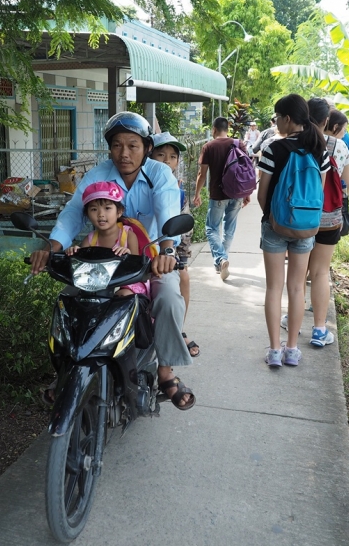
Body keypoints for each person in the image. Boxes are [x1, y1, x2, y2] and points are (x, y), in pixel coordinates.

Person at [29, 111, 195, 410]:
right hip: (101, 264)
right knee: (69, 301)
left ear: (146, 147)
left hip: (149, 259)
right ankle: (69, 368)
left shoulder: (159, 173)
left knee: (169, 297)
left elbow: (168, 208)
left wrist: (168, 251)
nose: (124, 153)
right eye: (117, 145)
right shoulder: (97, 175)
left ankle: (166, 371)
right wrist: (52, 248)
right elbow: (72, 213)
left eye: (133, 145)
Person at [257, 95, 330, 368]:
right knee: (297, 288)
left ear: (288, 118)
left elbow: (262, 194)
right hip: (307, 227)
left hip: (276, 226)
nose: (275, 122)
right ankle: (291, 350)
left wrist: (272, 218)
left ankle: (274, 350)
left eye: (277, 117)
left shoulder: (273, 149)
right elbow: (319, 193)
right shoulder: (318, 149)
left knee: (274, 288)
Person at [296, 99, 349, 348]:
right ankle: (319, 331)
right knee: (320, 273)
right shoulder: (339, 146)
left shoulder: (295, 144)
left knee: (298, 274)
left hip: (299, 218)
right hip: (329, 218)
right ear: (326, 121)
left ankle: (293, 321)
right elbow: (347, 186)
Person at [151, 132, 200, 358]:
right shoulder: (145, 180)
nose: (167, 161)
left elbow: (183, 218)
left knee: (184, 277)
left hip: (175, 243)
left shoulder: (178, 185)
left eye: (172, 157)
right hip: (146, 243)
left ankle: (177, 329)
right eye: (161, 155)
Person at [63, 181, 148, 298]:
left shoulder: (128, 235)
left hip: (125, 283)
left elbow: (137, 266)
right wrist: (75, 253)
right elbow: (82, 266)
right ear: (87, 214)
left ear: (119, 212)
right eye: (94, 209)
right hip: (97, 285)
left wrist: (127, 255)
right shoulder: (90, 239)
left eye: (107, 208)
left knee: (124, 297)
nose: (101, 214)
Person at [192, 116, 251, 281]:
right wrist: (246, 193)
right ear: (227, 129)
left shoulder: (209, 146)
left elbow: (201, 174)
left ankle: (220, 259)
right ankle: (221, 261)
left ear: (214, 129)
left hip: (218, 195)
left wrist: (197, 194)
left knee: (211, 228)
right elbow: (245, 170)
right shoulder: (239, 144)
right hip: (237, 194)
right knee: (229, 229)